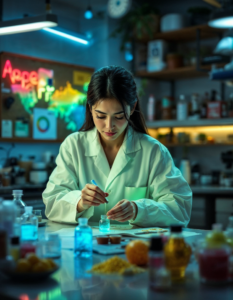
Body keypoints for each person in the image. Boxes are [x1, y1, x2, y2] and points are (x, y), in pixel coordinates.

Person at [42, 66, 192, 227]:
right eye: (101, 116)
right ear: (90, 108)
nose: (109, 126)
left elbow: (179, 208)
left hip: (133, 247)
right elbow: (52, 202)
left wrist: (138, 209)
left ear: (132, 107)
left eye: (119, 116)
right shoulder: (74, 146)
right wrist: (79, 202)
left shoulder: (153, 151)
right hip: (86, 244)